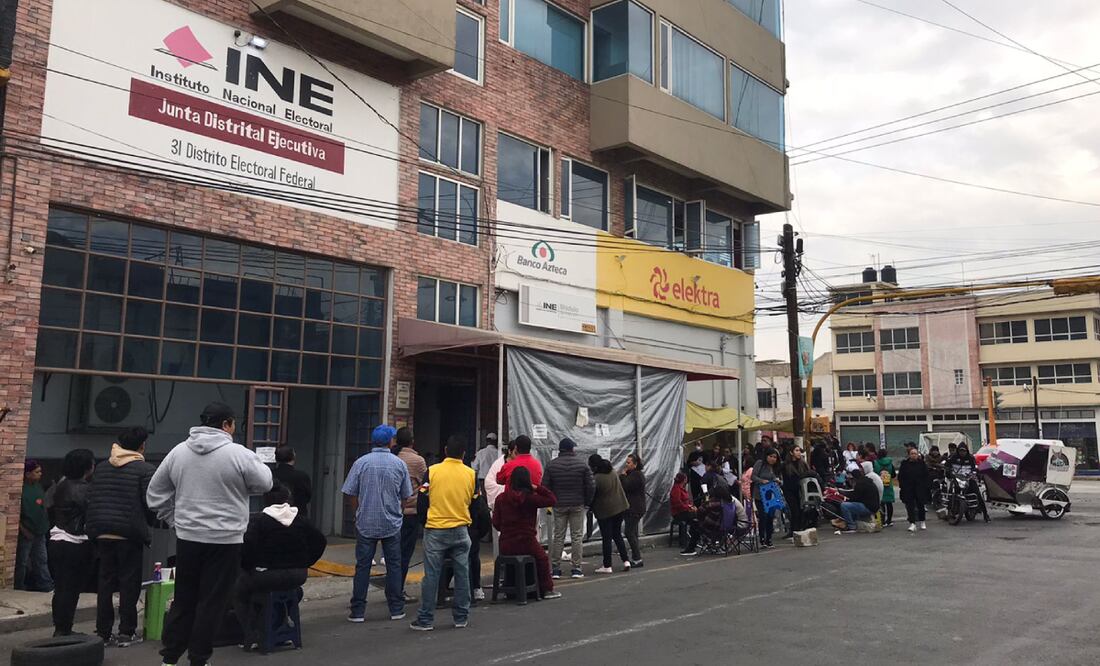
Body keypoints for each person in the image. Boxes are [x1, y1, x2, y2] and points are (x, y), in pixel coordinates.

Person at [147, 402, 273, 666]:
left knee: (184, 598)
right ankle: (199, 659)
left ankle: (169, 658)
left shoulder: (178, 452)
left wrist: (175, 520)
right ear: (227, 424)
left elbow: (155, 494)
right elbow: (264, 483)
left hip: (188, 538)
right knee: (212, 602)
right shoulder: (238, 453)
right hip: (225, 539)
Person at [86, 426, 156, 647]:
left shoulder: (103, 467)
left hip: (102, 531)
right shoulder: (144, 469)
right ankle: (126, 631)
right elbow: (150, 503)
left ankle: (103, 632)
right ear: (142, 445)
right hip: (129, 534)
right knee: (129, 582)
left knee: (105, 582)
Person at [234, 484, 327, 650]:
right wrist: (306, 562)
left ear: (266, 501)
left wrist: (249, 567)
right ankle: (279, 626)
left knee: (239, 592)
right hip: (298, 574)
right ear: (288, 500)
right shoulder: (299, 520)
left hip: (266, 575)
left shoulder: (259, 521)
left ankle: (253, 634)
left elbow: (246, 547)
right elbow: (320, 541)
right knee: (295, 592)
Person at [340, 424, 412, 623]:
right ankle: (396, 608)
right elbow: (406, 495)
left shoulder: (361, 463)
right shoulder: (398, 464)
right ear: (391, 441)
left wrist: (358, 511)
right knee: (394, 566)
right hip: (392, 522)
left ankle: (358, 611)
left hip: (366, 521)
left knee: (363, 566)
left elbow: (350, 491)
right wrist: (398, 510)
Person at [411, 436, 476, 631]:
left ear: (446, 450)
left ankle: (426, 619)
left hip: (436, 529)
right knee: (462, 573)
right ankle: (461, 617)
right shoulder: (471, 474)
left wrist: (424, 522)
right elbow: (476, 502)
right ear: (464, 453)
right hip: (461, 529)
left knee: (431, 575)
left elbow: (422, 499)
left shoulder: (432, 471)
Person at [492, 467, 560, 599]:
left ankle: (510, 588)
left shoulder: (501, 498)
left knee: (511, 562)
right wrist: (537, 487)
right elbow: (552, 499)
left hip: (506, 543)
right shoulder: (530, 498)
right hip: (526, 541)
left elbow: (496, 523)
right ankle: (546, 589)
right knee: (542, 558)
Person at [48, 449, 95, 637]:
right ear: (87, 467)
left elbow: (49, 506)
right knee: (71, 589)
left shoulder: (60, 484)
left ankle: (61, 627)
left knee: (60, 588)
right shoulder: (83, 489)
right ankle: (64, 629)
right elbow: (91, 515)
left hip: (56, 539)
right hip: (74, 543)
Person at [543, 437, 594, 579]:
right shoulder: (582, 465)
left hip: (559, 505)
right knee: (577, 536)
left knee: (558, 536)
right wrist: (587, 502)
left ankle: (556, 568)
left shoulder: (551, 465)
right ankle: (576, 568)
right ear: (571, 449)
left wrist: (551, 499)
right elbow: (591, 486)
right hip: (577, 503)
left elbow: (545, 486)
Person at [392, 427, 427, 601]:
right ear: (412, 441)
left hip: (391, 512)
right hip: (409, 512)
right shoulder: (417, 461)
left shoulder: (392, 458)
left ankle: (393, 589)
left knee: (393, 553)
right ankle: (397, 591)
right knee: (404, 554)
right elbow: (426, 485)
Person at [16, 460, 52, 593]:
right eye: (37, 472)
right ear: (27, 474)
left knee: (41, 560)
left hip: (40, 530)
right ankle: (18, 587)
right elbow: (16, 515)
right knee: (22, 562)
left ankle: (46, 586)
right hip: (27, 531)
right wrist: (23, 530)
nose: (40, 474)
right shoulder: (21, 490)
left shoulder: (38, 487)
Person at [590, 456, 631, 573]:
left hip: (605, 511)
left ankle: (607, 565)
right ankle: (626, 560)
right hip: (621, 507)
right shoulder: (613, 472)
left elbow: (592, 495)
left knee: (607, 538)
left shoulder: (597, 478)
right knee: (617, 535)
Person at [945, 443, 990, 522]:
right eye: (960, 451)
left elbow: (974, 468)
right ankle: (950, 510)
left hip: (968, 479)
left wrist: (974, 473)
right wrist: (949, 472)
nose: (962, 453)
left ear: (967, 451)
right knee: (951, 493)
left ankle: (985, 514)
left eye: (964, 451)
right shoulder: (953, 457)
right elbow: (947, 466)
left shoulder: (970, 458)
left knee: (978, 495)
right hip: (957, 479)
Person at [781, 445, 819, 534]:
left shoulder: (803, 463)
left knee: (800, 509)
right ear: (791, 452)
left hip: (800, 489)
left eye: (799, 451)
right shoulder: (786, 465)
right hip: (789, 490)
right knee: (794, 510)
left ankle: (798, 528)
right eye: (796, 450)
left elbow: (807, 473)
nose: (799, 453)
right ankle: (793, 530)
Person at [620, 453, 647, 568]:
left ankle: (637, 557)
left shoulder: (636, 475)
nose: (626, 464)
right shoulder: (633, 474)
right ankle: (636, 556)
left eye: (629, 462)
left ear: (635, 464)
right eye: (626, 462)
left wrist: (622, 476)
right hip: (633, 507)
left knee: (629, 532)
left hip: (634, 508)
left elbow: (627, 486)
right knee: (633, 532)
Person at [837, 467, 881, 533]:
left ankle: (851, 526)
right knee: (852, 506)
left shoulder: (860, 484)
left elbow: (855, 497)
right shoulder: (867, 481)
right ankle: (855, 522)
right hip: (874, 506)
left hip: (868, 507)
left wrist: (844, 498)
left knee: (844, 505)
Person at [897, 446, 931, 532]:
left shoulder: (922, 464)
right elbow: (901, 476)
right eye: (912, 454)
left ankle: (922, 521)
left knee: (921, 505)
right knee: (910, 506)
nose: (913, 455)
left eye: (915, 454)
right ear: (909, 455)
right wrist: (903, 486)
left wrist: (926, 486)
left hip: (920, 488)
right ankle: (912, 523)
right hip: (908, 488)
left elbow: (926, 476)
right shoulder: (905, 464)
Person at [751, 449, 780, 548]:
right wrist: (761, 481)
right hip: (760, 494)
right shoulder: (760, 463)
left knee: (770, 516)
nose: (772, 459)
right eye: (771, 456)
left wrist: (777, 480)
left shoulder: (774, 467)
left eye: (775, 457)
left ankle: (769, 539)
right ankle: (762, 539)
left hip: (771, 493)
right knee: (763, 516)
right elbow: (753, 476)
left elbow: (776, 477)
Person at [273, 446, 312, 517]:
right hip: (297, 516)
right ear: (293, 458)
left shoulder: (271, 474)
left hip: (274, 515)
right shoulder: (302, 476)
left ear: (276, 459)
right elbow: (307, 497)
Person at [671, 473, 700, 555]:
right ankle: (692, 544)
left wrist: (691, 506)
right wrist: (689, 508)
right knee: (697, 520)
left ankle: (693, 541)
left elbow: (688, 501)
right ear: (684, 480)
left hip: (685, 510)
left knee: (697, 521)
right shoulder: (676, 489)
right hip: (679, 513)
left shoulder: (682, 489)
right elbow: (678, 503)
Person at [484, 439, 516, 512]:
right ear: (510, 451)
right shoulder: (498, 464)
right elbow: (489, 483)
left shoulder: (521, 464)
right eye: (516, 453)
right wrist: (507, 489)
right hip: (502, 505)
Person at [874, 446, 897, 527]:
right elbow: (893, 475)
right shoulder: (890, 463)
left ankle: (882, 521)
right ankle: (889, 520)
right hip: (888, 485)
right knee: (889, 504)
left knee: (881, 503)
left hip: (879, 484)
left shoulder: (875, 463)